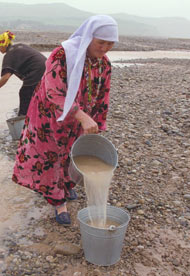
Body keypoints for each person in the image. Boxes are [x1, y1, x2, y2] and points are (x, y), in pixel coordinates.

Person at [12, 15, 119, 225]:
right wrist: (81, 116)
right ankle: (57, 201)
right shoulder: (63, 55)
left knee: (72, 153)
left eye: (110, 43)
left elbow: (102, 95)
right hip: (48, 117)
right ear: (89, 37)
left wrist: (97, 122)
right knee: (50, 155)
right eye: (101, 42)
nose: (105, 48)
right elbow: (53, 92)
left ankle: (66, 186)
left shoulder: (103, 64)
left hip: (78, 121)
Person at [0, 31, 47, 116]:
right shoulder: (19, 46)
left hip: (37, 71)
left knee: (24, 93)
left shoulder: (9, 55)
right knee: (36, 94)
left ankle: (22, 120)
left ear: (4, 44)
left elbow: (6, 77)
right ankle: (39, 114)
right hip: (47, 68)